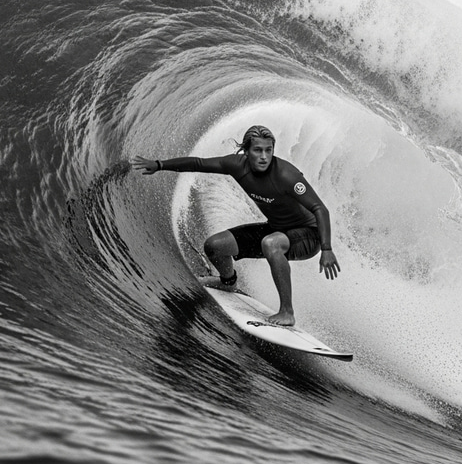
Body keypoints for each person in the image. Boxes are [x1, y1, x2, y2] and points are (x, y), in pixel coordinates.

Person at [131, 125, 340, 326]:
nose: (264, 156)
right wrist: (159, 165)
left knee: (271, 243)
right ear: (246, 151)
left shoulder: (287, 175)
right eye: (258, 150)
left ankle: (287, 312)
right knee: (215, 246)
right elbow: (198, 163)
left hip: (309, 235)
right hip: (276, 229)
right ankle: (227, 282)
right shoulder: (236, 165)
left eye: (269, 150)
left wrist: (326, 248)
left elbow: (320, 209)